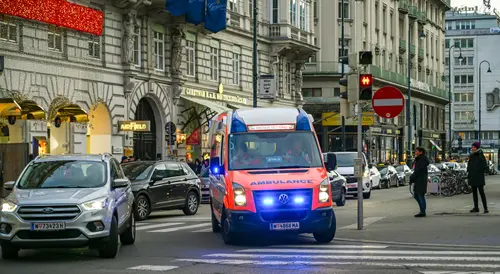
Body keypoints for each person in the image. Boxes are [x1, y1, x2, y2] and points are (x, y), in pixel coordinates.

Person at [467, 142, 489, 213]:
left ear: (477, 148)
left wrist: (478, 171)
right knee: (474, 194)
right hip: (473, 177)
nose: (472, 148)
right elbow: (470, 166)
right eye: (472, 147)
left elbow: (484, 166)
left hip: (479, 177)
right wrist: (469, 174)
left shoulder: (480, 155)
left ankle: (485, 208)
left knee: (481, 193)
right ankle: (476, 207)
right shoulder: (472, 155)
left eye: (474, 147)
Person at [410, 147, 429, 217]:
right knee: (417, 195)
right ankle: (422, 210)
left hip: (420, 180)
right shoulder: (420, 159)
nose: (415, 152)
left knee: (420, 195)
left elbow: (418, 171)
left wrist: (412, 177)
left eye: (417, 151)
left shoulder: (421, 160)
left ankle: (423, 211)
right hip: (420, 180)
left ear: (421, 152)